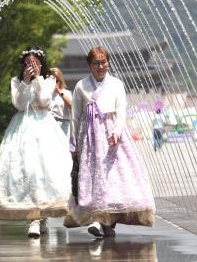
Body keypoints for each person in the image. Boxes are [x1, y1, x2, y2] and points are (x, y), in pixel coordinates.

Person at [64, 46, 155, 237]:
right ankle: (101, 220)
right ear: (89, 65)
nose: (100, 66)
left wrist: (116, 131)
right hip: (90, 139)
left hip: (113, 138)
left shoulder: (116, 84)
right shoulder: (81, 86)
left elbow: (121, 112)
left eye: (103, 62)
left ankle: (107, 221)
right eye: (96, 63)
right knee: (96, 179)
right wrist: (73, 144)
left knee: (114, 178)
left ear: (108, 63)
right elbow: (76, 117)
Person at [0, 47, 71, 238]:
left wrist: (38, 79)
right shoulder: (16, 81)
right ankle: (33, 219)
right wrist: (25, 82)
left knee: (45, 172)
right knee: (27, 171)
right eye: (28, 64)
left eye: (35, 63)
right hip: (22, 127)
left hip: (44, 126)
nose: (31, 66)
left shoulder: (49, 79)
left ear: (41, 63)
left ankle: (43, 216)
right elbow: (19, 104)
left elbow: (44, 101)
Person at [49, 67, 73, 137]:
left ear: (60, 80)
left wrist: (59, 92)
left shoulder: (66, 92)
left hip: (63, 125)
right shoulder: (46, 94)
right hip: (49, 125)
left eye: (56, 80)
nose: (54, 83)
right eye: (51, 80)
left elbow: (71, 106)